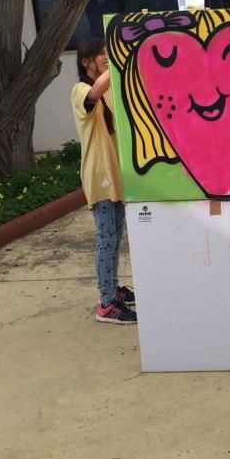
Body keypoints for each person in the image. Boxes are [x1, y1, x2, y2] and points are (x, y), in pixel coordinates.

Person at [71, 38, 137, 324]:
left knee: (115, 236)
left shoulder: (107, 91)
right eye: (101, 56)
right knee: (106, 240)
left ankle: (113, 289)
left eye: (107, 55)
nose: (106, 59)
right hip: (100, 177)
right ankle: (106, 303)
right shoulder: (81, 90)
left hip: (115, 175)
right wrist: (122, 57)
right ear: (86, 62)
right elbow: (94, 93)